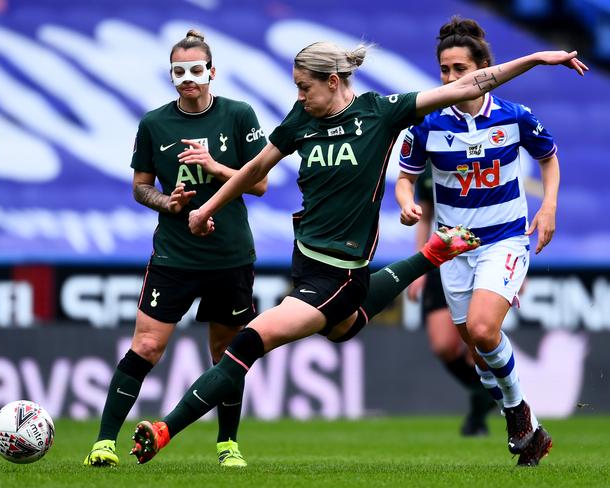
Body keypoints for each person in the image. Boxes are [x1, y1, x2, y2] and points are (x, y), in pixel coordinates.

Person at [129, 37, 586, 467]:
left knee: (249, 339)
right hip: (306, 260)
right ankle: (429, 257)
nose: (299, 95)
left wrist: (533, 60)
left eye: (304, 87)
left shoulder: (381, 114)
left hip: (341, 272)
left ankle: (166, 429)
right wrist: (205, 207)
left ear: (332, 82)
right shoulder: (301, 120)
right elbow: (255, 169)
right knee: (342, 328)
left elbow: (471, 84)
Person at [83, 29, 268, 468]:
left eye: (196, 70)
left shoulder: (239, 115)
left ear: (212, 72)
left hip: (230, 255)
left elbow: (259, 183)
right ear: (171, 75)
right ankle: (104, 443)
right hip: (174, 256)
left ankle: (228, 445)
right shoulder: (154, 123)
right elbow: (140, 188)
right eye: (179, 71)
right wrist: (170, 202)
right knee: (146, 346)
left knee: (227, 353)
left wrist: (215, 166)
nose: (188, 78)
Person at [396, 16, 576, 466]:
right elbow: (405, 178)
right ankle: (532, 434)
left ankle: (517, 412)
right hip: (454, 248)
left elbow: (549, 159)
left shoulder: (515, 117)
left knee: (481, 329)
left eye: (460, 69)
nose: (451, 78)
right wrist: (406, 203)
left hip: (505, 240)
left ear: (483, 68)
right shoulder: (428, 124)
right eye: (445, 70)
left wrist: (549, 207)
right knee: (477, 354)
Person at [406, 164, 496, 436]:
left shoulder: (482, 152)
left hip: (484, 255)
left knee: (477, 343)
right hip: (443, 257)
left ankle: (483, 412)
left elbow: (502, 206)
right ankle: (486, 394)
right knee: (444, 345)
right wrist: (418, 266)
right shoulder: (430, 161)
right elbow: (425, 217)